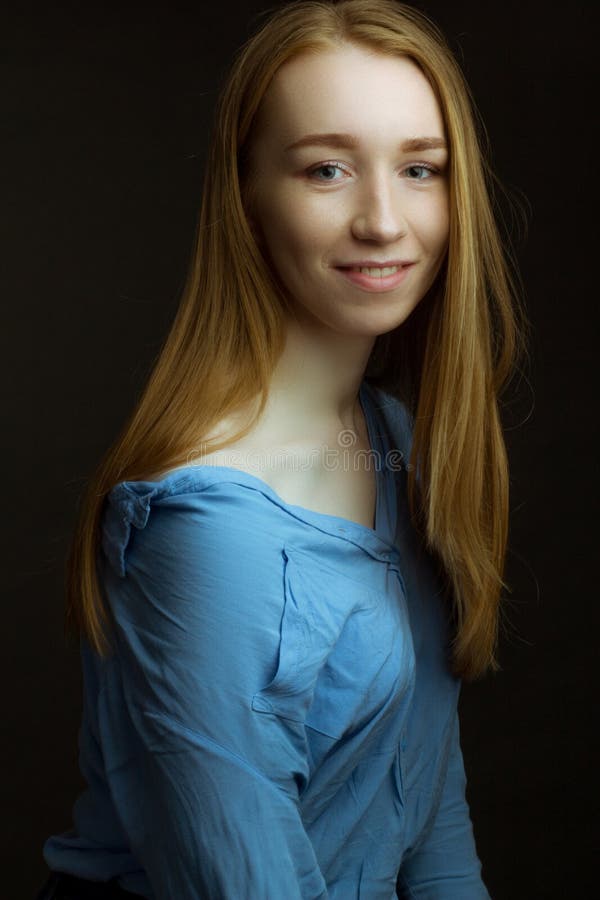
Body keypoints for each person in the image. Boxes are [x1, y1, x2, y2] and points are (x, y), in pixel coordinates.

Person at [36, 0, 528, 897]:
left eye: (421, 169)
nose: (384, 221)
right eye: (327, 169)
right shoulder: (205, 531)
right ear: (246, 193)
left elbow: (425, 798)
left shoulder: (393, 443)